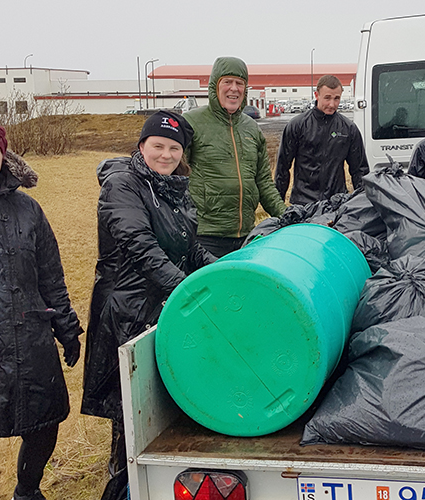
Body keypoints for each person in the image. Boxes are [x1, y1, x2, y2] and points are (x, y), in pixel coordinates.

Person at [81, 111, 216, 500]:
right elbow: (141, 247)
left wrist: (224, 274)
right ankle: (123, 486)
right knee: (131, 411)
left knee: (161, 402)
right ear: (142, 146)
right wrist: (189, 292)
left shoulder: (173, 187)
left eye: (174, 148)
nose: (166, 154)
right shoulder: (122, 185)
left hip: (163, 306)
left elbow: (189, 248)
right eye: (158, 145)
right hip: (128, 310)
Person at [0, 117, 83, 500]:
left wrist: (67, 328)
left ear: (4, 155)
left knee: (44, 422)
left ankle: (28, 491)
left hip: (31, 336)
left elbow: (51, 276)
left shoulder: (29, 210)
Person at [184, 56, 286, 257]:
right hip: (205, 236)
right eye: (227, 82)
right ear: (215, 86)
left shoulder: (251, 128)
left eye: (240, 83)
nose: (234, 88)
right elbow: (175, 178)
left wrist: (286, 216)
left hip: (245, 236)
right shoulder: (192, 123)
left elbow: (264, 182)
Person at [275, 74, 369, 205]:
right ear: (317, 95)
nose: (332, 104)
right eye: (327, 98)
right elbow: (282, 168)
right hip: (303, 203)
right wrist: (278, 206)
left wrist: (363, 204)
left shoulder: (348, 129)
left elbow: (360, 171)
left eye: (337, 98)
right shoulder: (297, 126)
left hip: (336, 203)